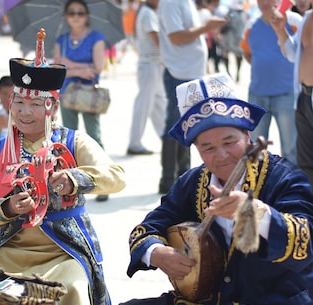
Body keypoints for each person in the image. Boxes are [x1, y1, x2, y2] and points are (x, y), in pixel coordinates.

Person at [121, 72, 313, 305]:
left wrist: (257, 214)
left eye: (230, 142)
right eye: (208, 147)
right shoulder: (192, 182)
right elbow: (145, 230)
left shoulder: (284, 177)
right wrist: (157, 253)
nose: (221, 156)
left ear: (248, 136)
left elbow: (306, 241)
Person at [0, 29, 126, 305]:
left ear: (52, 107)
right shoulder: (0, 150)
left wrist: (74, 178)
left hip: (63, 249)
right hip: (11, 245)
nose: (24, 112)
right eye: (18, 102)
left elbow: (116, 177)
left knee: (72, 289)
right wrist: (8, 207)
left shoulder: (73, 141)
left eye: (34, 104)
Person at [157, 0, 227, 194]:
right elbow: (176, 37)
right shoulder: (171, 3)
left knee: (188, 124)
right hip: (179, 72)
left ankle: (182, 176)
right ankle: (170, 179)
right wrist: (206, 27)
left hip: (187, 71)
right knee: (175, 124)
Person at [54, 0, 109, 202]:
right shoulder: (62, 40)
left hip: (88, 95)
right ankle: (71, 182)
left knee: (94, 136)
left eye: (80, 12)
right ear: (66, 16)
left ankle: (102, 179)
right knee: (68, 139)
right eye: (71, 13)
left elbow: (97, 68)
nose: (76, 16)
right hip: (67, 94)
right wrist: (80, 69)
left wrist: (70, 65)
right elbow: (58, 67)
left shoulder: (97, 38)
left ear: (86, 15)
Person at [239, 0, 301, 165]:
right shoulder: (251, 25)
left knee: (290, 149)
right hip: (257, 95)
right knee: (256, 149)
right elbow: (247, 52)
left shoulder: (294, 21)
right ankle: (259, 187)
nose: (265, 2)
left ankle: (292, 188)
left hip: (287, 94)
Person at [270, 0, 313, 186]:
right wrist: (281, 30)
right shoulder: (308, 18)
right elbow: (293, 53)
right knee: (306, 164)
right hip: (303, 97)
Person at [126, 0, 166, 155]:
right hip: (150, 64)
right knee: (144, 105)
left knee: (158, 104)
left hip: (153, 64)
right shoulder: (148, 13)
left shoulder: (148, 12)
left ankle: (168, 139)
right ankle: (134, 143)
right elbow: (157, 40)